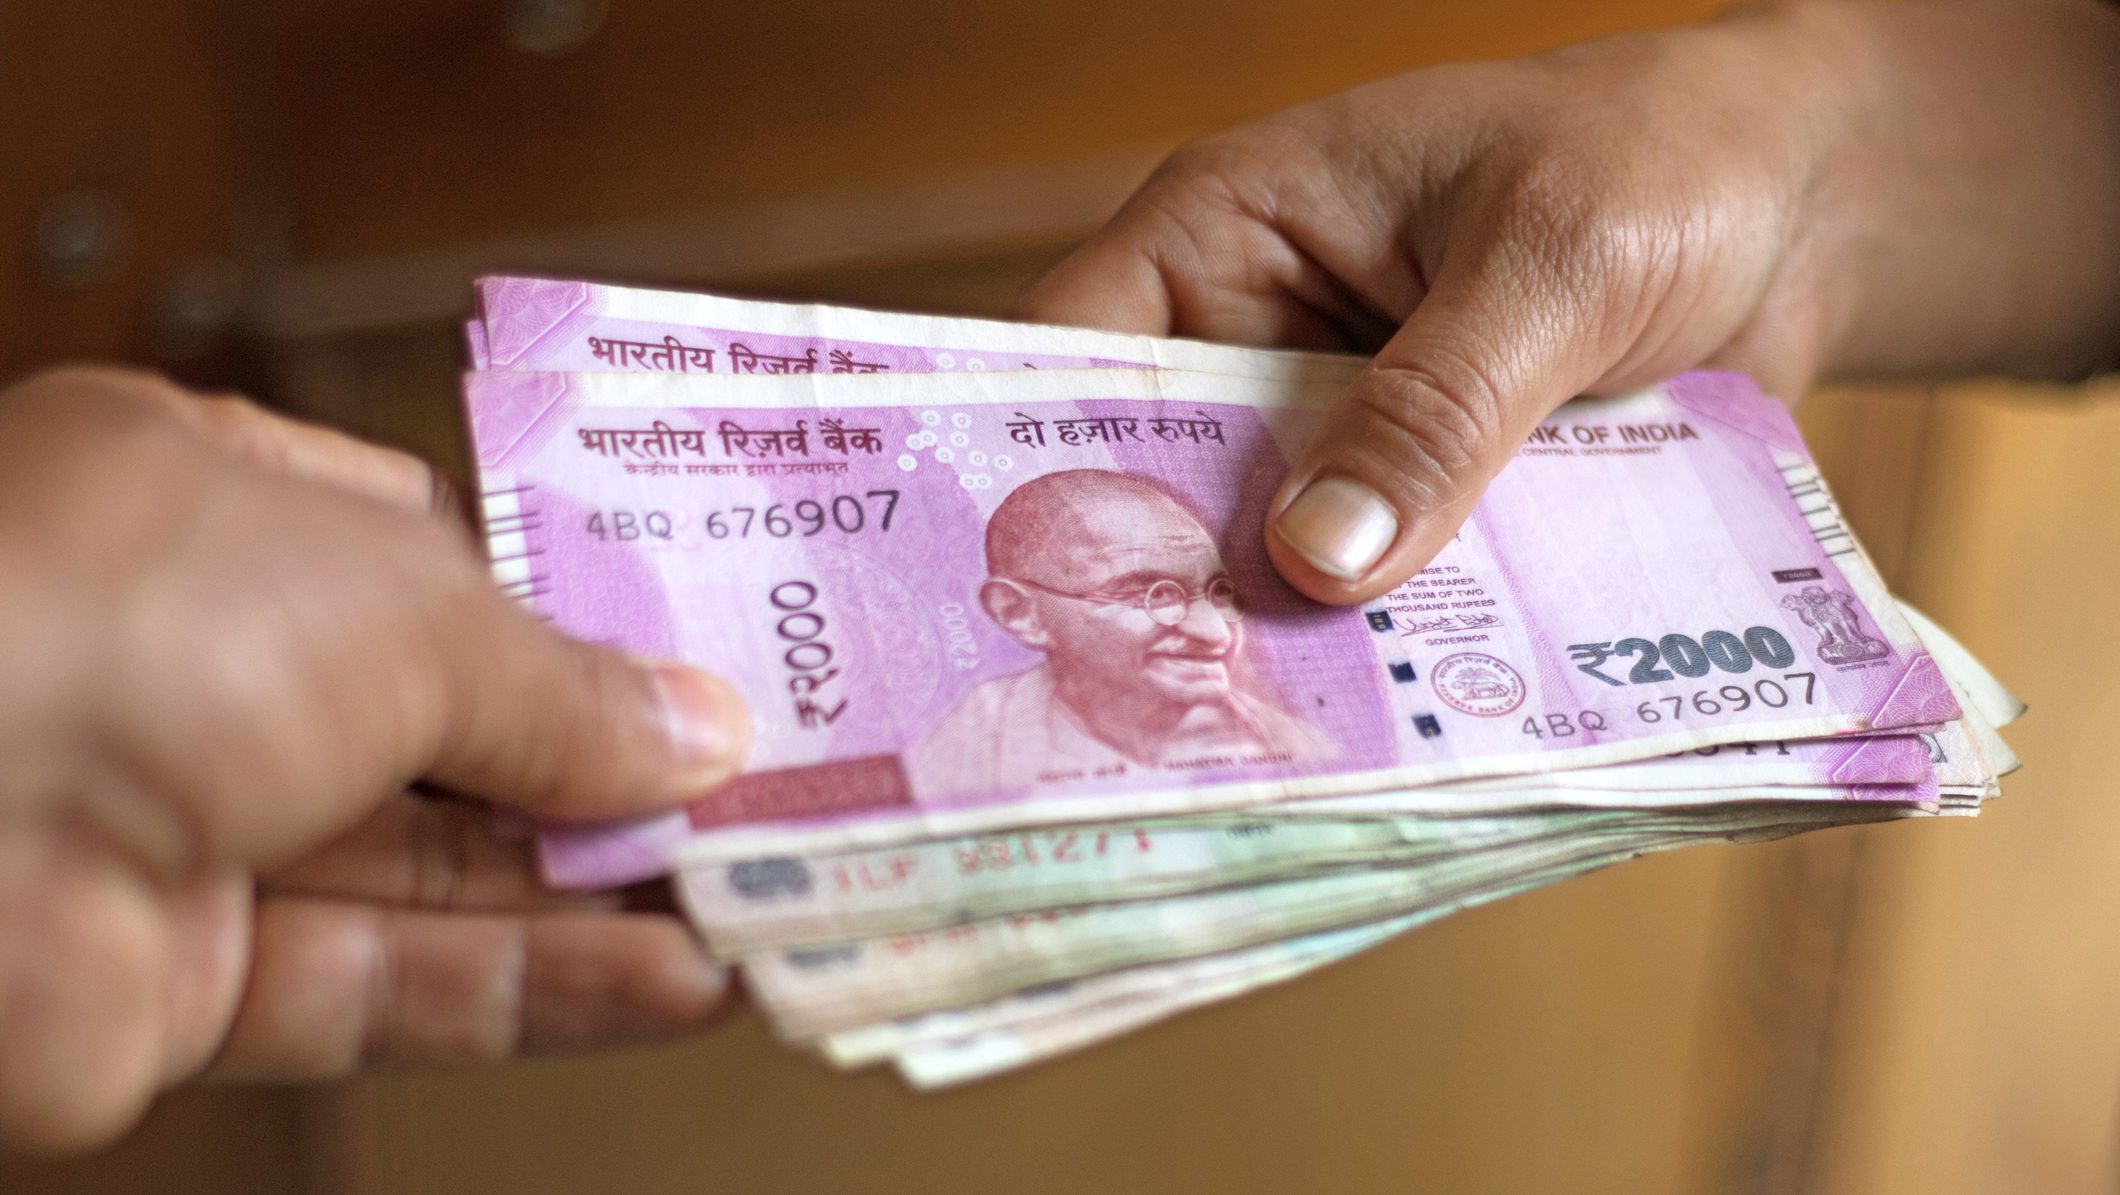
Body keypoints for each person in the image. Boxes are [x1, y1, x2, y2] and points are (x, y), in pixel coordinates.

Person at [3, 0, 2115, 1156]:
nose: (1208, 616)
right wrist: (1820, 152)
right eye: (1135, 594)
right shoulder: (1000, 742)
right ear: (1019, 626)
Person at [909, 470, 1324, 792]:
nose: (1215, 635)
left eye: (1221, 592)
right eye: (1154, 595)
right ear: (1022, 614)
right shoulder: (973, 743)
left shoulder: (1296, 747)